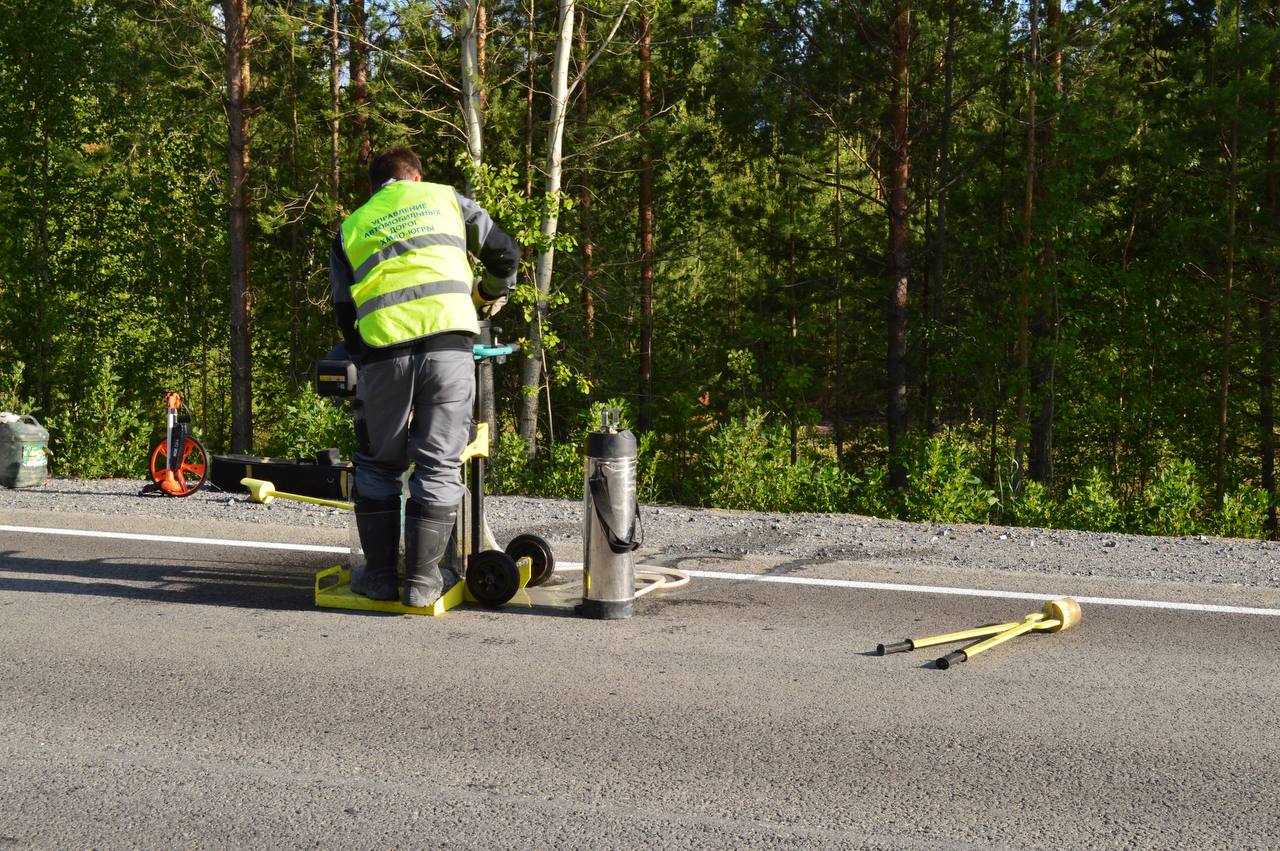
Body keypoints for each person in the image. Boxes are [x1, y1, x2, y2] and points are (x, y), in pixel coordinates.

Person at [330, 146, 520, 608]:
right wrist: (489, 295)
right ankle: (420, 583)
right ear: (415, 175)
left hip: (383, 353)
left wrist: (367, 358)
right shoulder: (446, 199)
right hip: (448, 351)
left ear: (376, 186)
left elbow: (343, 309)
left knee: (378, 463)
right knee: (438, 463)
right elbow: (505, 253)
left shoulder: (351, 226)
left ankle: (378, 580)